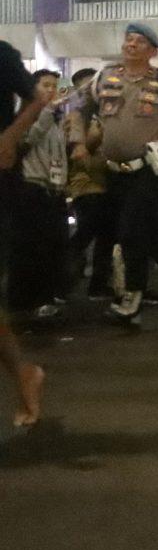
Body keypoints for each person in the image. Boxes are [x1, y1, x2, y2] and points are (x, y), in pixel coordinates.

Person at [67, 23, 158, 326]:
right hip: (114, 172)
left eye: (139, 42)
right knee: (147, 232)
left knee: (129, 231)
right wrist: (77, 142)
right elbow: (77, 107)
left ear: (152, 50)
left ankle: (133, 298)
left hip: (148, 168)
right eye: (128, 40)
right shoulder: (105, 76)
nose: (131, 45)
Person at [0, 42, 47, 426]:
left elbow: (35, 99)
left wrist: (11, 136)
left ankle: (24, 374)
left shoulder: (1, 54)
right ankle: (23, 374)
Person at [11, 70, 70, 320]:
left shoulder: (55, 119)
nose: (51, 90)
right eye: (46, 85)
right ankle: (32, 299)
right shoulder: (25, 115)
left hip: (54, 188)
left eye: (54, 86)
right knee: (34, 247)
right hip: (31, 186)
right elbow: (25, 140)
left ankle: (48, 294)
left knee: (55, 245)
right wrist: (45, 114)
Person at [66, 68, 115, 300]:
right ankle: (60, 283)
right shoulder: (76, 117)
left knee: (106, 236)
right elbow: (79, 153)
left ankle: (99, 285)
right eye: (87, 87)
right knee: (85, 234)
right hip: (85, 185)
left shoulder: (107, 113)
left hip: (107, 184)